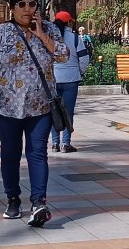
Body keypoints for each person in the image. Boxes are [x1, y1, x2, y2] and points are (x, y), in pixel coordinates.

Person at [0, 0, 69, 228]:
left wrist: (41, 35)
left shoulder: (48, 29)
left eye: (32, 4)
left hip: (40, 107)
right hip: (7, 106)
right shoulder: (0, 32)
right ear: (12, 8)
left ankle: (39, 202)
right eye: (22, 4)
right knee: (10, 153)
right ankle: (13, 199)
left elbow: (63, 55)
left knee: (37, 153)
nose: (27, 9)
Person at [50, 11, 89, 153]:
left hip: (53, 79)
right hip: (71, 79)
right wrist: (79, 71)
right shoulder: (75, 38)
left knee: (54, 111)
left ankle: (54, 143)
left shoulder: (50, 38)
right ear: (69, 23)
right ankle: (66, 143)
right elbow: (84, 58)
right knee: (68, 112)